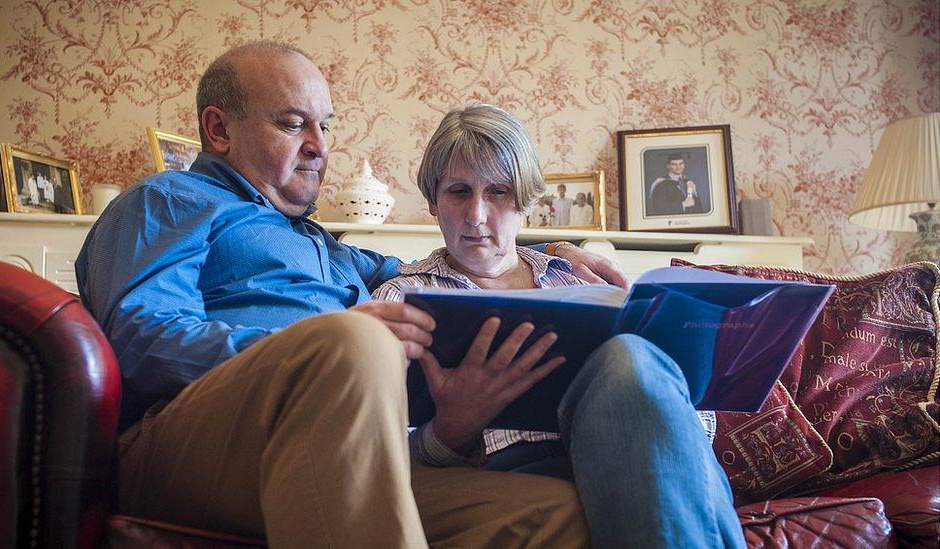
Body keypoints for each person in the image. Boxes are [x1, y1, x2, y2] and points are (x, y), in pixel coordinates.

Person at [75, 41, 627, 547]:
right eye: (293, 125)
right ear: (219, 130)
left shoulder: (324, 246)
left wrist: (555, 250)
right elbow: (139, 339)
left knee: (556, 514)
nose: (319, 147)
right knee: (353, 338)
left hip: (335, 446)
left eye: (325, 126)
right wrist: (308, 351)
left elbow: (454, 265)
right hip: (192, 448)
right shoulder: (170, 200)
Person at [373, 103, 744, 548]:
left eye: (498, 192)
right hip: (512, 475)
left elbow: (689, 427)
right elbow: (383, 460)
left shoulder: (580, 279)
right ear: (433, 201)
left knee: (631, 357)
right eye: (458, 191)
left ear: (525, 202)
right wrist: (453, 428)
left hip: (631, 452)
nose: (476, 215)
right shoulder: (400, 300)